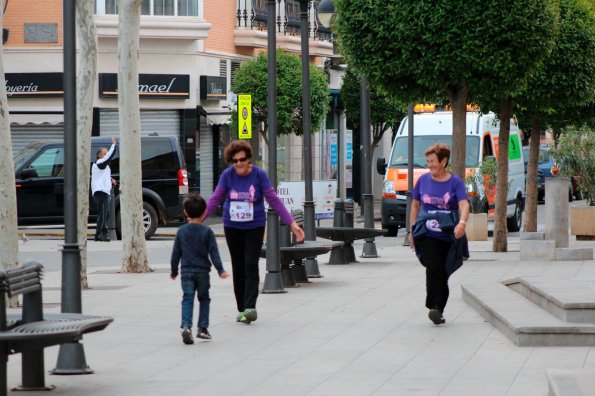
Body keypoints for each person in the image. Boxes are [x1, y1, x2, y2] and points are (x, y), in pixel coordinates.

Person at [204, 140, 305, 324]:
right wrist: (198, 220)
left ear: (249, 158)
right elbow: (215, 199)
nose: (239, 164)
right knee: (238, 266)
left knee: (250, 264)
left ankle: (250, 308)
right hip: (232, 226)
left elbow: (273, 199)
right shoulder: (227, 176)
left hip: (254, 226)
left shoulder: (259, 175)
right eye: (235, 161)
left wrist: (292, 223)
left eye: (242, 159)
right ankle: (241, 308)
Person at [408, 143, 470, 325]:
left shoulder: (455, 182)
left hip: (448, 235)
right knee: (434, 265)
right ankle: (434, 306)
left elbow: (464, 204)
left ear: (443, 161)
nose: (430, 164)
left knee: (443, 272)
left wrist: (462, 223)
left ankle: (438, 310)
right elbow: (415, 205)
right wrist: (412, 230)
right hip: (426, 233)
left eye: (433, 161)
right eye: (428, 161)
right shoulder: (423, 181)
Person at [170, 192, 230, 345]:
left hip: (186, 272)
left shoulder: (181, 231)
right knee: (204, 299)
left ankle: (186, 326)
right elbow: (214, 253)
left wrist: (174, 271)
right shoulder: (207, 232)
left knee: (187, 298)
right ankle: (202, 328)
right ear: (204, 212)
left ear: (185, 212)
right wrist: (220, 270)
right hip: (203, 272)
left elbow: (176, 253)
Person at [91, 137, 117, 242]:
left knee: (103, 213)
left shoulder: (103, 166)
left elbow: (103, 176)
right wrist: (113, 146)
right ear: (100, 155)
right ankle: (103, 234)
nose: (106, 155)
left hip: (104, 191)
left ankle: (98, 234)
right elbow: (109, 157)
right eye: (104, 154)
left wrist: (111, 180)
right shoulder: (99, 163)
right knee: (104, 212)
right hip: (100, 191)